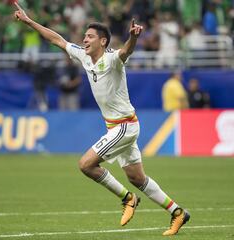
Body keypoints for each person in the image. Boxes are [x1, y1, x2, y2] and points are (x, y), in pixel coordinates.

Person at [14, 3, 190, 236]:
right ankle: (177, 212)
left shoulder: (113, 59)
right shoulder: (85, 57)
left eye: (89, 37)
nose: (84, 40)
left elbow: (126, 51)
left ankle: (128, 199)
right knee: (137, 178)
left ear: (103, 41)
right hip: (118, 126)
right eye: (84, 36)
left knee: (86, 164)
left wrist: (133, 38)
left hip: (124, 127)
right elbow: (57, 39)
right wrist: (28, 21)